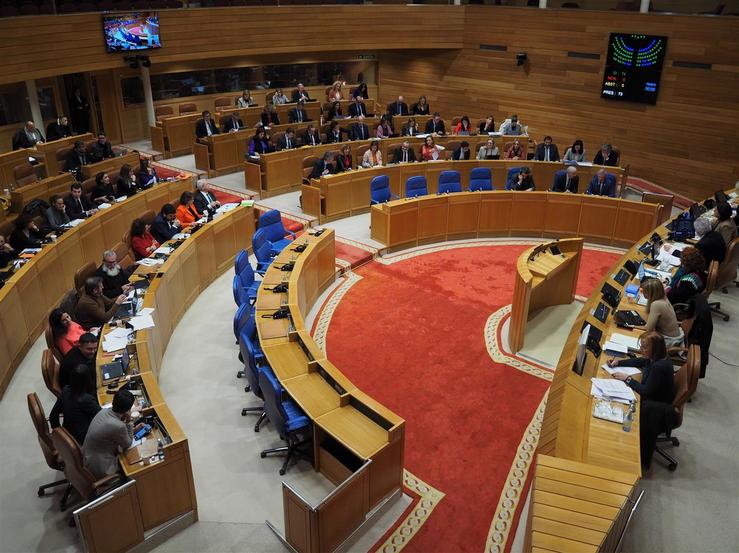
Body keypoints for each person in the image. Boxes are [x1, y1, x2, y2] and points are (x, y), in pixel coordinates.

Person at [83, 389, 145, 479]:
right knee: (136, 467)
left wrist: (134, 430)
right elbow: (128, 443)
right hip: (102, 468)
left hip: (88, 458)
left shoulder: (103, 411)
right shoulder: (118, 426)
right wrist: (129, 421)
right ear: (127, 409)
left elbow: (115, 434)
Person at [608, 331, 674, 404]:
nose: (640, 350)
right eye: (641, 346)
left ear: (655, 349)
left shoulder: (658, 367)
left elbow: (645, 391)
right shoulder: (659, 355)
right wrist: (618, 363)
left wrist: (627, 379)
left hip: (654, 403)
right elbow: (641, 361)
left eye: (644, 348)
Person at [49, 364, 101, 445]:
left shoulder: (65, 390)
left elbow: (53, 416)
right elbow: (104, 418)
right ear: (88, 379)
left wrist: (61, 435)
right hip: (86, 439)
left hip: (69, 433)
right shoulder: (86, 400)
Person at [639, 278, 685, 348]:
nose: (642, 293)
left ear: (650, 293)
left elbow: (648, 329)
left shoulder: (656, 304)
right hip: (674, 337)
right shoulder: (663, 297)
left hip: (669, 342)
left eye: (644, 291)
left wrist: (632, 326)